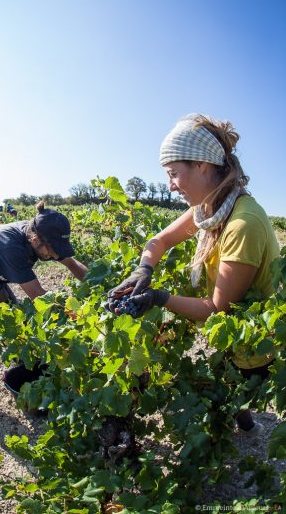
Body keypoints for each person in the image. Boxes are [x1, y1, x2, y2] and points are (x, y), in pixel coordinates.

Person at [108, 113, 280, 436]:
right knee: (227, 379)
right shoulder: (208, 208)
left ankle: (243, 422)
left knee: (234, 386)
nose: (170, 186)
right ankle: (242, 418)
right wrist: (143, 270)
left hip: (254, 343)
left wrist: (159, 298)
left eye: (173, 174)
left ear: (202, 164)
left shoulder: (243, 224)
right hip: (231, 330)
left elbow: (216, 310)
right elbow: (158, 241)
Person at [0, 201, 88, 422]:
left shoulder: (42, 234)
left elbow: (72, 264)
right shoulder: (9, 246)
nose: (54, 256)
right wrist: (77, 318)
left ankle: (26, 375)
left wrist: (101, 287)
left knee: (22, 329)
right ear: (35, 240)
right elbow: (40, 298)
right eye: (51, 251)